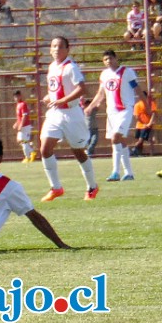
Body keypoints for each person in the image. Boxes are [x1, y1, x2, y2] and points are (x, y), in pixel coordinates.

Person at [39, 36, 99, 202]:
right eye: (53, 46)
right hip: (55, 113)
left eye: (60, 46)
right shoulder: (52, 66)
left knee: (78, 151)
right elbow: (57, 89)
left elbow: (82, 89)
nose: (56, 49)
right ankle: (56, 188)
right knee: (45, 148)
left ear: (67, 49)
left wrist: (63, 100)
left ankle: (92, 186)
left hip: (72, 114)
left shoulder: (71, 67)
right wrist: (49, 97)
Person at [85, 50, 147, 182]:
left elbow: (137, 89)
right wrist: (91, 106)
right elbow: (100, 93)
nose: (109, 61)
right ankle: (129, 173)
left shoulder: (127, 72)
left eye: (111, 58)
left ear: (116, 58)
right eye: (106, 59)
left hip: (125, 109)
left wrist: (145, 103)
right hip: (111, 112)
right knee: (121, 141)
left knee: (115, 137)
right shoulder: (104, 74)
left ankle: (115, 172)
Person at [13, 90, 36, 163]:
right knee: (20, 140)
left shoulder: (23, 104)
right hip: (22, 126)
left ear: (20, 96)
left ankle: (28, 157)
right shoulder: (18, 105)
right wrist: (16, 123)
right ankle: (32, 152)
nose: (16, 98)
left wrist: (21, 125)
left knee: (24, 141)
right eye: (15, 96)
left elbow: (24, 116)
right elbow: (19, 117)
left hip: (25, 126)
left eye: (17, 96)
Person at [131, 91, 157, 157]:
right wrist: (145, 124)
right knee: (140, 141)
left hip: (146, 126)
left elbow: (154, 113)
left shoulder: (151, 103)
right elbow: (137, 116)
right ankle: (133, 151)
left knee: (141, 141)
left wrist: (150, 123)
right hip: (140, 126)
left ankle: (138, 153)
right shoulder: (137, 105)